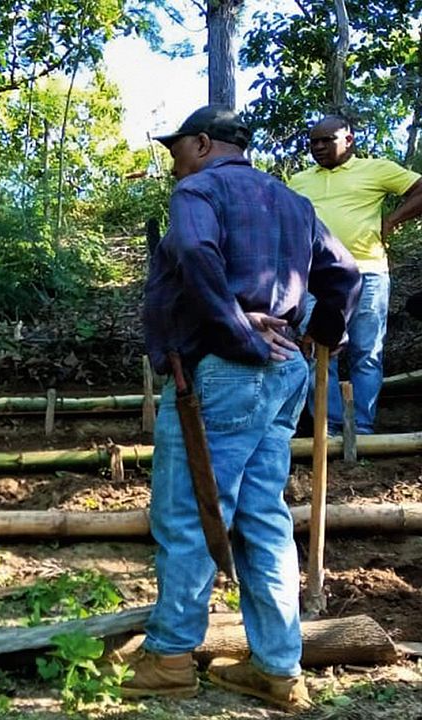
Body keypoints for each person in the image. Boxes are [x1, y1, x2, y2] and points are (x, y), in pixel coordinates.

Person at [124, 105, 361, 711]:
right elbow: (345, 273)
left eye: (178, 149)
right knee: (261, 516)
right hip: (286, 372)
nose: (174, 162)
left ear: (203, 144)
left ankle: (171, 657)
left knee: (189, 512)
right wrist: (325, 328)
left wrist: (235, 330)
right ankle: (280, 670)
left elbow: (198, 255)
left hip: (225, 373)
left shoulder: (197, 192)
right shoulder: (291, 202)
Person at [288, 116, 422, 434]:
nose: (318, 147)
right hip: (315, 278)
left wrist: (392, 220)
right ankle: (330, 426)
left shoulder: (377, 169)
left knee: (367, 352)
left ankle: (361, 427)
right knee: (318, 350)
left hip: (368, 271)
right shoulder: (299, 181)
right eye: (313, 142)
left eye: (326, 140)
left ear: (348, 139)